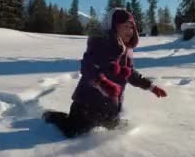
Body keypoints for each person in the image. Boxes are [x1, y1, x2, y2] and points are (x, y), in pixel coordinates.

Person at [43, 8, 168, 138]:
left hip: (110, 108)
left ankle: (111, 119)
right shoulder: (100, 45)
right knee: (73, 131)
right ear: (114, 27)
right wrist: (101, 83)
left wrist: (151, 86)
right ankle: (52, 116)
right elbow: (88, 67)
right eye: (125, 26)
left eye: (132, 27)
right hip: (87, 105)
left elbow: (130, 74)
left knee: (115, 129)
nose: (130, 31)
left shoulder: (126, 52)